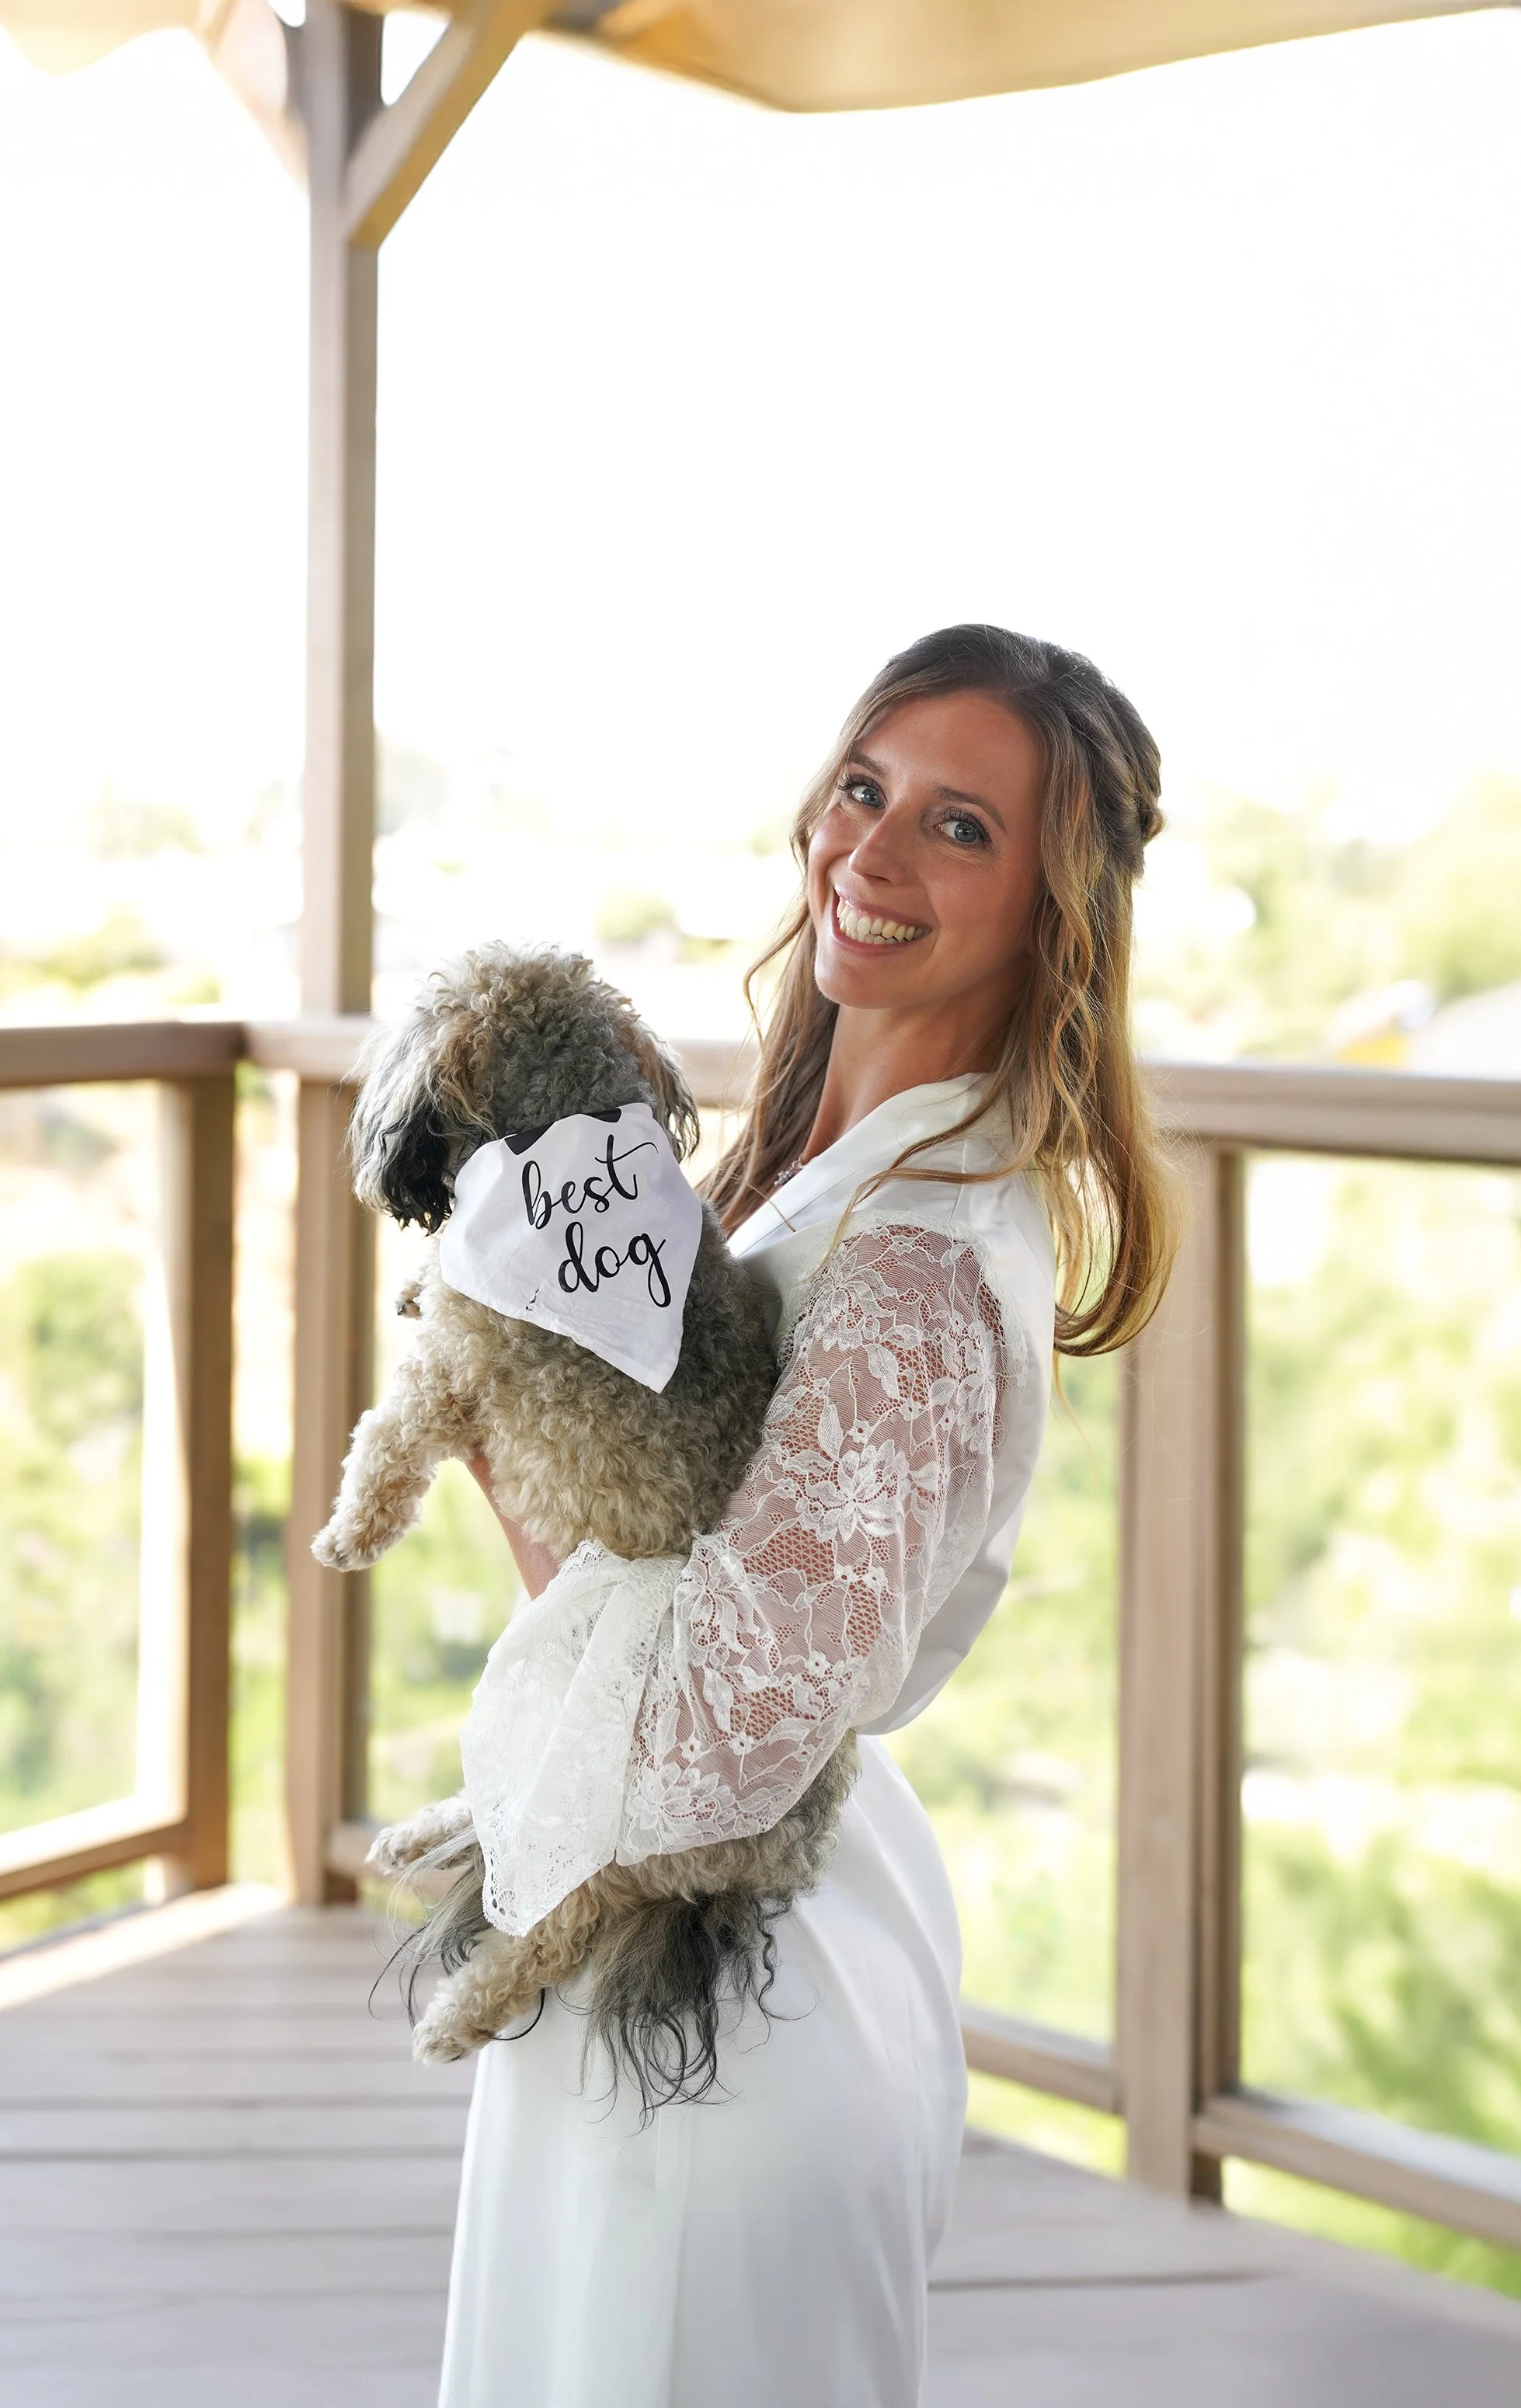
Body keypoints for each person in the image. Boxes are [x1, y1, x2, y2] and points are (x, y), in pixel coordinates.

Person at [443, 623, 1176, 2408]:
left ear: (1052, 912)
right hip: (671, 1963)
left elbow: (716, 1735)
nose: (871, 851)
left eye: (959, 827)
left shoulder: (916, 1261)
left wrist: (496, 1430)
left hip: (730, 2013)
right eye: (865, 787)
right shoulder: (816, 1178)